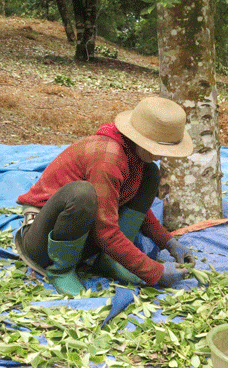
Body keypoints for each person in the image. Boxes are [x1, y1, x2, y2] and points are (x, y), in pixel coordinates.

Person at [15, 96, 198, 295]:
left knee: (151, 174)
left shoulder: (135, 156)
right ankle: (61, 269)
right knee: (82, 194)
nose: (163, 156)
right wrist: (155, 272)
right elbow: (106, 233)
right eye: (160, 149)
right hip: (43, 242)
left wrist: (168, 242)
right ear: (141, 140)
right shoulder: (108, 159)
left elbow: (129, 205)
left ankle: (110, 261)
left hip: (84, 236)